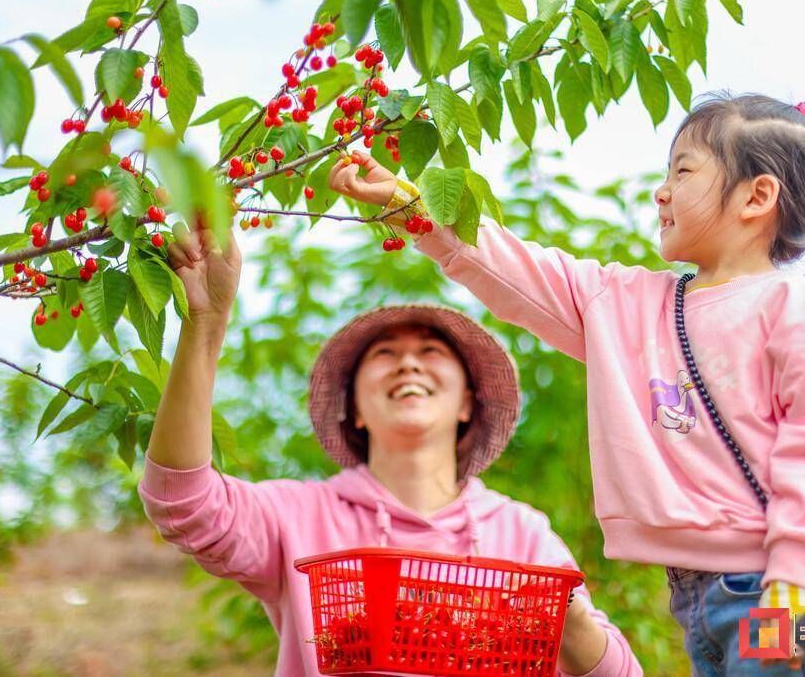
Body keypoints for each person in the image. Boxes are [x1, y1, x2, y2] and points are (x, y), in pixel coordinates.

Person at [329, 91, 805, 675]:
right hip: (699, 602)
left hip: (777, 595)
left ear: (757, 196)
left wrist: (797, 590)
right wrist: (409, 207)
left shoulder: (795, 307)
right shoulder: (627, 304)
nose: (660, 191)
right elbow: (515, 267)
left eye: (684, 171)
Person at [136, 212, 643, 675]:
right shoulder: (298, 515)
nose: (408, 364)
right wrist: (205, 325)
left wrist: (568, 620)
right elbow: (184, 503)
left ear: (468, 402)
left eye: (430, 351)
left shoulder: (521, 534)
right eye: (385, 353)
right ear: (354, 406)